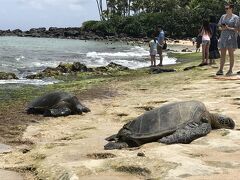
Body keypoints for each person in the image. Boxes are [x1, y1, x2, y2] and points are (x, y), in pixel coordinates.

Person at [216, 4, 239, 76]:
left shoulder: (236, 17)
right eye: (225, 8)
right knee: (222, 54)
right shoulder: (223, 16)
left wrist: (228, 28)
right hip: (223, 37)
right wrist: (221, 28)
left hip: (231, 37)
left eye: (227, 8)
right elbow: (219, 26)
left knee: (230, 54)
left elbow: (237, 29)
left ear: (231, 9)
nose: (225, 9)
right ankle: (221, 69)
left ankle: (230, 70)